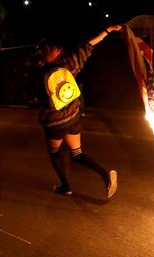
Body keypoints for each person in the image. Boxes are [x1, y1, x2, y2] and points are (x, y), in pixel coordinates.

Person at [33, 25, 122, 199]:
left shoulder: (39, 73)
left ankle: (65, 187)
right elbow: (87, 45)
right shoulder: (68, 64)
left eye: (46, 49)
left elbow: (35, 98)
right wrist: (108, 30)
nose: (45, 52)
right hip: (73, 117)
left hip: (55, 123)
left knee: (54, 154)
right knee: (77, 153)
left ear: (54, 50)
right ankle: (105, 175)